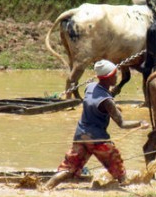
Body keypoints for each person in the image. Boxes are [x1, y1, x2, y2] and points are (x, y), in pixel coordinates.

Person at [46, 60, 148, 189]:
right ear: (108, 77)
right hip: (98, 140)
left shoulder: (91, 87)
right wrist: (140, 123)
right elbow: (122, 124)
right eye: (115, 75)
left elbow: (92, 102)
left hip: (81, 135)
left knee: (68, 169)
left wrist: (113, 107)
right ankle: (126, 189)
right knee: (117, 167)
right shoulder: (107, 101)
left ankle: (46, 187)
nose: (117, 77)